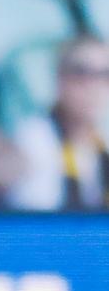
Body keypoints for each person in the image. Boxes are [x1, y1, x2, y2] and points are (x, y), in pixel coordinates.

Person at [7, 36, 109, 211]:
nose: (94, 86)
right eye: (81, 73)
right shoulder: (33, 140)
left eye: (105, 75)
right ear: (59, 78)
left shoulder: (102, 141)